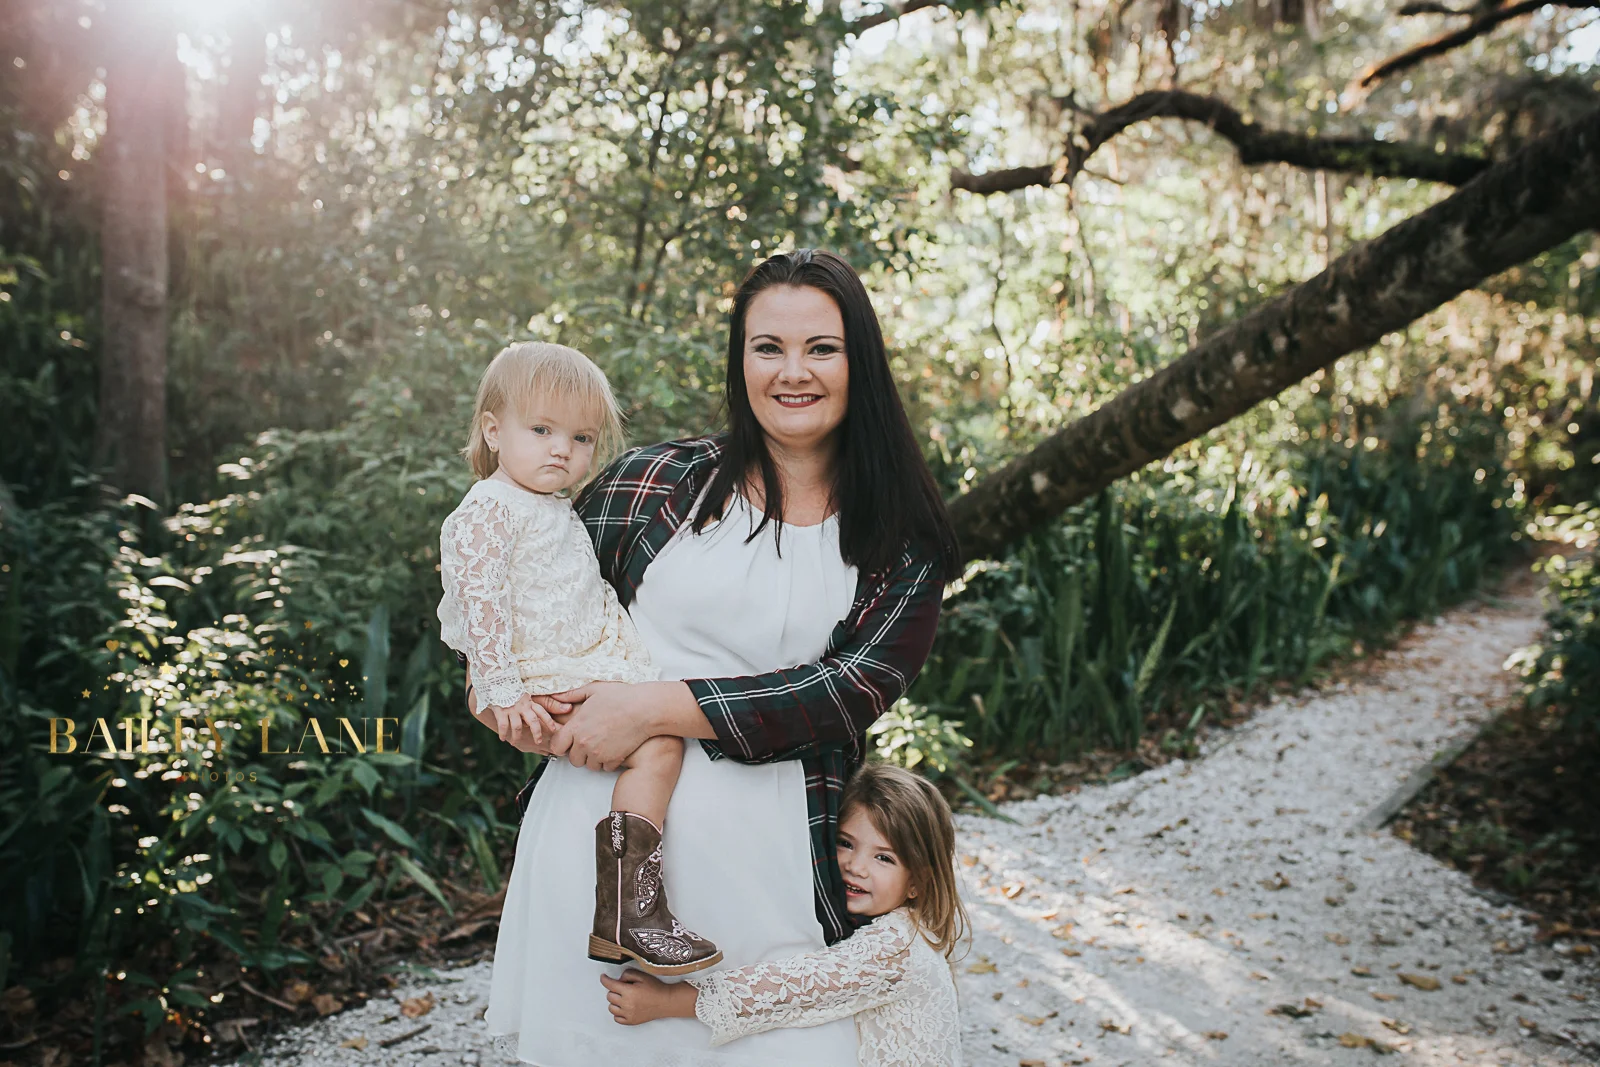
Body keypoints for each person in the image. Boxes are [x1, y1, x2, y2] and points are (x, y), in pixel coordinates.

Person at [467, 248, 962, 1066]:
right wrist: (508, 707)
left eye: (821, 348)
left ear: (861, 362)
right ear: (740, 362)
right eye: (768, 347)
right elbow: (518, 611)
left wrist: (651, 707)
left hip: (772, 868)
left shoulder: (899, 535)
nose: (792, 371)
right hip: (595, 846)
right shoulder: (654, 483)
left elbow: (849, 691)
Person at [437, 341, 721, 975]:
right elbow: (481, 603)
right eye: (541, 430)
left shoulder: (549, 507)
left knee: (660, 744)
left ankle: (627, 907)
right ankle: (629, 910)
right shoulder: (488, 509)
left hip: (574, 663)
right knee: (659, 748)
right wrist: (502, 691)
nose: (561, 449)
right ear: (493, 431)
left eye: (581, 437)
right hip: (539, 677)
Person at [600, 762, 968, 1067]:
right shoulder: (910, 932)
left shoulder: (896, 946)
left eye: (883, 858)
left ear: (917, 882)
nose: (856, 866)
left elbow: (792, 988)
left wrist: (667, 1002)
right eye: (846, 843)